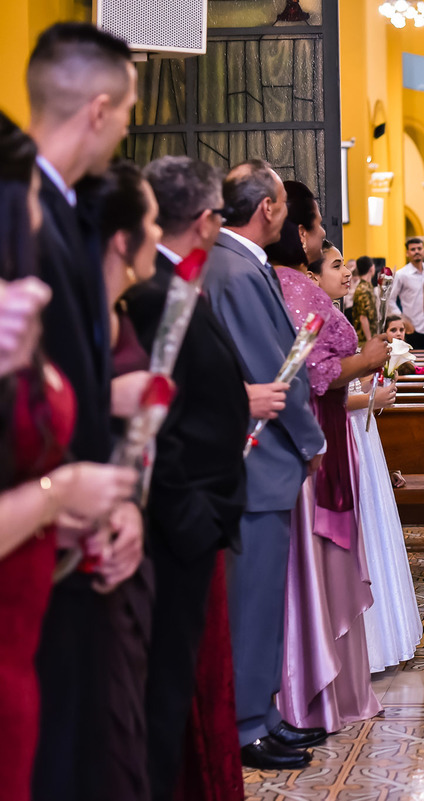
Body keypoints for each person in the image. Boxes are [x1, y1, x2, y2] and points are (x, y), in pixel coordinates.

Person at [120, 155, 270, 801]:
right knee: (162, 692)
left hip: (193, 512)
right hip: (177, 516)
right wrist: (192, 511)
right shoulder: (156, 291)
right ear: (207, 220)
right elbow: (153, 413)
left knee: (178, 683)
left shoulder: (176, 282)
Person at [25, 23, 149, 801]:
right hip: (37, 526)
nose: (127, 127)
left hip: (80, 519)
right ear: (100, 109)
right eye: (130, 111)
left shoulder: (68, 211)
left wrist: (116, 490)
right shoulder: (25, 216)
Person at [0, 111, 139, 801]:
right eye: (29, 204)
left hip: (30, 617)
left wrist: (98, 506)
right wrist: (63, 492)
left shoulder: (21, 310)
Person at [203, 161, 327, 770]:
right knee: (251, 597)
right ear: (268, 210)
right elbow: (273, 370)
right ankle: (246, 721)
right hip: (256, 454)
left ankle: (265, 712)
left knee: (263, 595)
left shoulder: (236, 263)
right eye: (281, 204)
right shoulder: (234, 268)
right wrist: (311, 441)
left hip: (259, 454)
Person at [267, 184, 386, 735]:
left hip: (330, 435)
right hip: (318, 442)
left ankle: (335, 689)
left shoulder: (294, 285)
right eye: (316, 226)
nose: (320, 235)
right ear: (300, 234)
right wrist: (366, 360)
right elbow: (311, 373)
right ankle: (318, 692)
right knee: (315, 563)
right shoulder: (296, 289)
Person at [86, 158, 163, 801]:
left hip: (128, 510)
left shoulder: (121, 306)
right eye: (151, 222)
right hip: (90, 527)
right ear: (122, 238)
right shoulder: (83, 315)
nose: (158, 233)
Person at [341, 255, 422, 671]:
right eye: (337, 266)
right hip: (348, 431)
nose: (346, 274)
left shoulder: (340, 315)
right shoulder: (323, 317)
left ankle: (381, 635)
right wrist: (372, 395)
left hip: (361, 433)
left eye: (347, 268)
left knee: (372, 523)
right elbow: (322, 385)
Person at [393, 237, 424, 350]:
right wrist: (402, 319)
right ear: (407, 253)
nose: (417, 251)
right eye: (413, 249)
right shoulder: (402, 274)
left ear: (423, 251)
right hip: (412, 326)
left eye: (419, 248)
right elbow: (390, 299)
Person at [350, 255, 377, 343]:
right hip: (364, 340)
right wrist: (369, 340)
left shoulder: (367, 286)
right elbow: (363, 317)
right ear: (371, 268)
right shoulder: (363, 289)